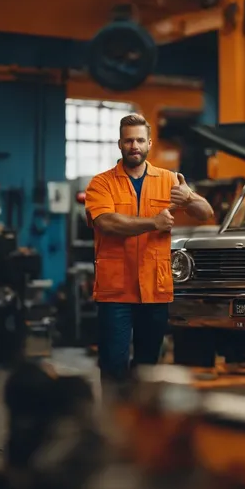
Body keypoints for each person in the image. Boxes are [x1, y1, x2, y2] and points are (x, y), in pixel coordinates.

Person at [85, 113, 214, 382]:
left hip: (154, 289)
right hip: (116, 291)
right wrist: (153, 223)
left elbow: (206, 213)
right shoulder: (102, 183)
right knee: (113, 365)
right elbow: (106, 222)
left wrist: (189, 198)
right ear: (120, 144)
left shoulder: (168, 179)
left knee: (148, 368)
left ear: (150, 143)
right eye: (129, 140)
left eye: (140, 140)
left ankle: (140, 421)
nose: (135, 146)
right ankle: (113, 421)